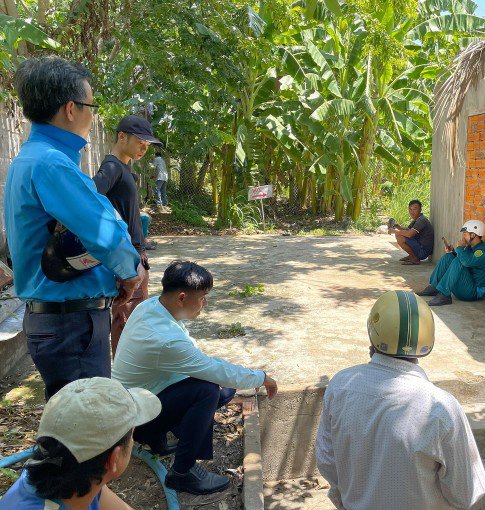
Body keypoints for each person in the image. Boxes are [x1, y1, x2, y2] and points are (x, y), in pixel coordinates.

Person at [4, 57, 141, 399]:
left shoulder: (30, 158)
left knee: (73, 426)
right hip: (71, 323)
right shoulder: (52, 164)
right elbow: (105, 234)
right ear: (70, 108)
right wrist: (130, 272)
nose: (92, 114)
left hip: (57, 320)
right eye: (91, 105)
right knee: (88, 432)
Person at [112, 261, 279, 495]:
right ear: (181, 297)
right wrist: (262, 377)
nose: (205, 304)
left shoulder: (151, 307)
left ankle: (157, 437)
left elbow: (201, 362)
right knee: (207, 390)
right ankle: (182, 472)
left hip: (139, 401)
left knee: (223, 389)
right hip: (133, 421)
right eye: (202, 297)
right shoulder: (165, 339)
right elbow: (211, 369)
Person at [316, 290, 485, 510]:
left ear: (372, 332)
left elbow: (327, 461)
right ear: (428, 340)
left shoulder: (340, 385)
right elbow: (465, 494)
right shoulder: (442, 409)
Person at [0, 377, 161, 510]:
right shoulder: (84, 478)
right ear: (113, 459)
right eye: (131, 435)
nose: (132, 442)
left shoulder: (71, 476)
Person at [93, 115, 162, 355]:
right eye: (140, 142)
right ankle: (125, 383)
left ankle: (128, 379)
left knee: (134, 319)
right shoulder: (112, 166)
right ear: (122, 136)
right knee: (126, 321)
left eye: (147, 145)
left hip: (135, 255)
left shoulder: (123, 168)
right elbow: (90, 199)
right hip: (127, 260)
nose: (144, 148)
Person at [416, 220, 485, 306]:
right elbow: (464, 259)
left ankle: (444, 295)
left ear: (473, 235)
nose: (463, 238)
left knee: (457, 261)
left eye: (465, 234)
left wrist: (459, 248)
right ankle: (434, 287)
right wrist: (453, 251)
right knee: (448, 257)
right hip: (465, 285)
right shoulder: (470, 247)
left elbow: (466, 262)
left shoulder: (482, 251)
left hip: (473, 292)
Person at [387, 200, 434, 265]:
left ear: (420, 209)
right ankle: (412, 256)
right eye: (410, 209)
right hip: (420, 247)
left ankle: (414, 259)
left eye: (415, 209)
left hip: (423, 252)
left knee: (399, 236)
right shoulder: (417, 219)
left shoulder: (422, 220)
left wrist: (394, 231)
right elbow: (408, 230)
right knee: (400, 233)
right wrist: (398, 227)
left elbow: (409, 234)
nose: (412, 212)